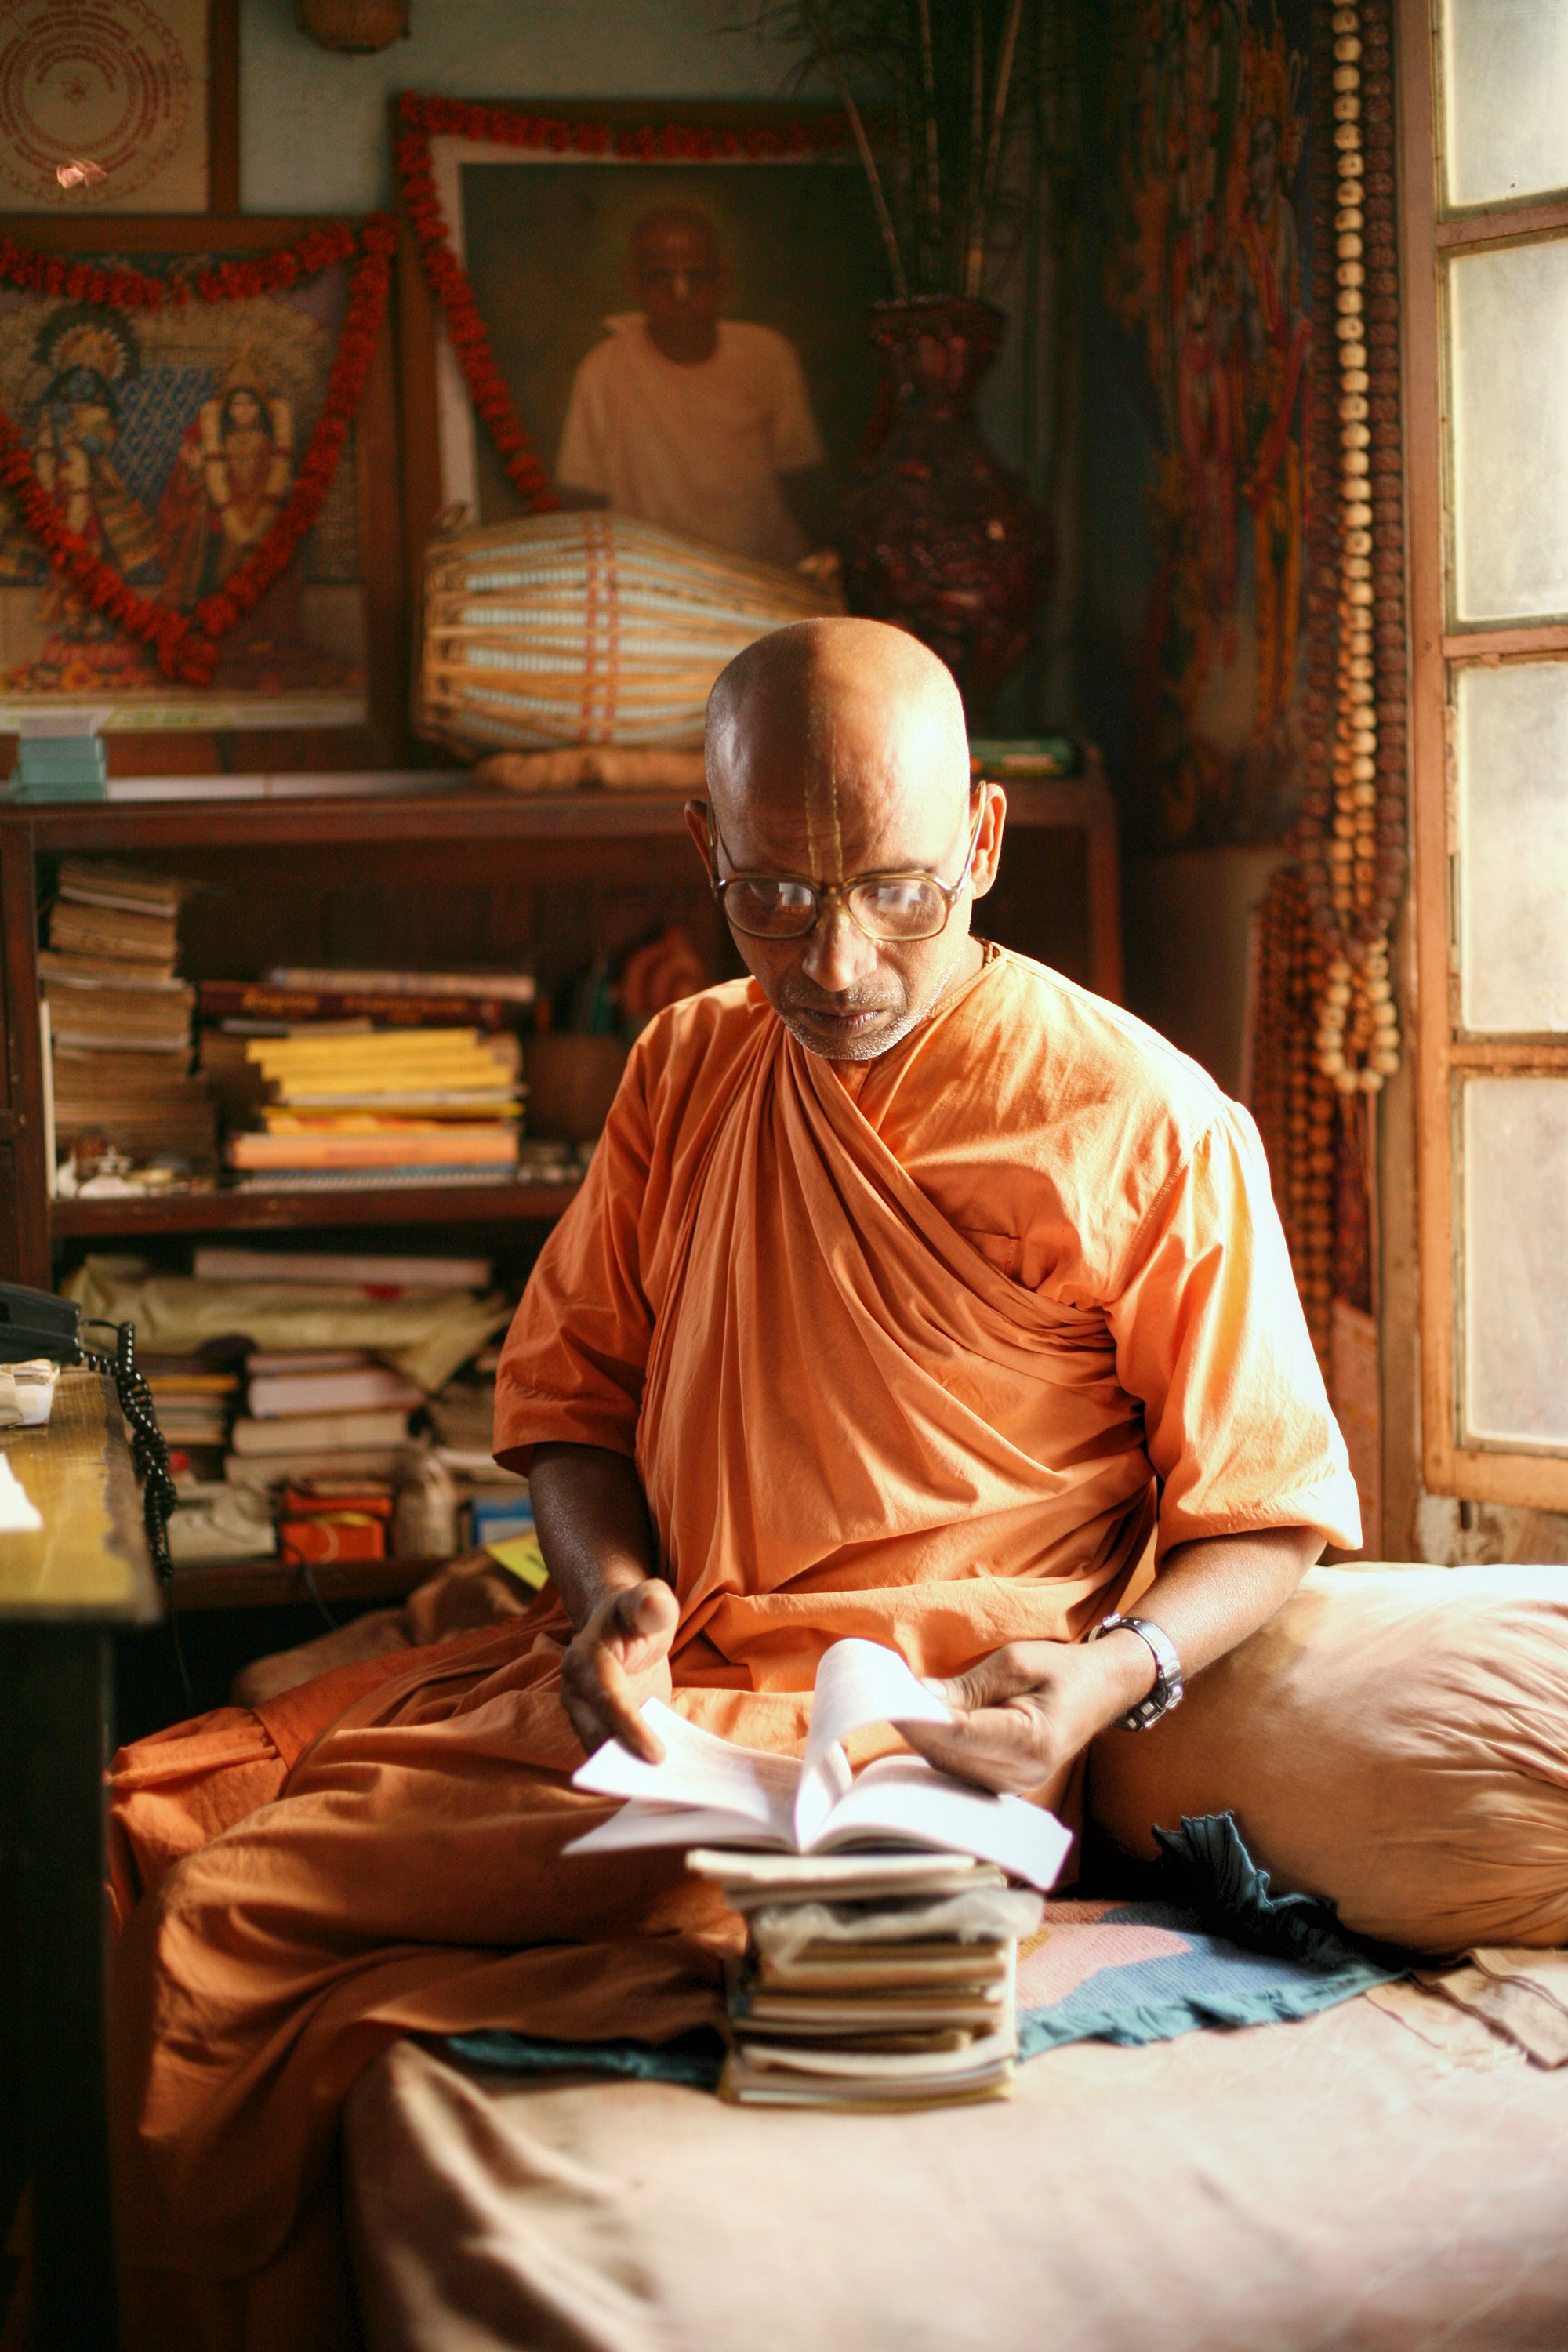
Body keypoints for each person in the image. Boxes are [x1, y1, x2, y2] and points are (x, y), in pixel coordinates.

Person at [108, 618, 1357, 2347]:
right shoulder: (689, 1064)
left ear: (984, 842)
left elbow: (1267, 1508)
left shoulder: (1146, 1121)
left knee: (214, 1918)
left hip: (901, 1740)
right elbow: (570, 1402)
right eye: (773, 895)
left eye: (902, 892)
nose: (838, 960)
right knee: (135, 1814)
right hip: (654, 1694)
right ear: (704, 851)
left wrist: (1102, 1681)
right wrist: (606, 1587)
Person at [554, 204, 827, 566]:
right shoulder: (603, 369)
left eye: (696, 276)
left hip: (764, 579)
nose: (681, 294)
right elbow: (581, 499)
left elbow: (802, 479)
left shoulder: (767, 355)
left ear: (723, 280)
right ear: (633, 283)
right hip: (651, 586)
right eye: (661, 277)